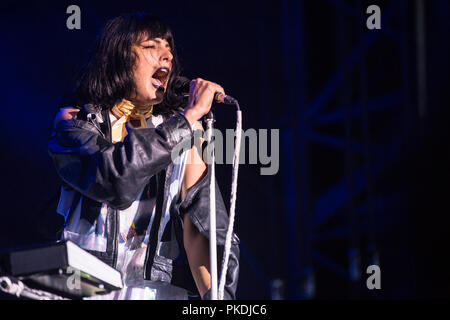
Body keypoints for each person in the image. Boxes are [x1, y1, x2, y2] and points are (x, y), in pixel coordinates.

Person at [47, 12, 239, 300]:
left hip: (155, 293)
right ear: (118, 58)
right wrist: (185, 123)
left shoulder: (183, 133)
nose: (167, 56)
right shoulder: (77, 122)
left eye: (169, 49)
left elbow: (201, 229)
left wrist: (218, 298)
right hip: (84, 287)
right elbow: (113, 181)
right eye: (151, 47)